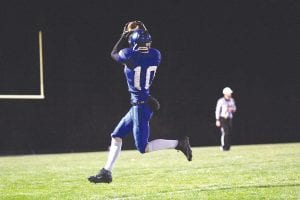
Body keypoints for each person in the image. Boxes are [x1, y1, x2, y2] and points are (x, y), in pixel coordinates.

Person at [88, 21, 192, 184]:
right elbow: (143, 50)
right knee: (116, 136)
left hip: (140, 106)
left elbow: (113, 53)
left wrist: (124, 36)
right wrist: (141, 33)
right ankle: (106, 172)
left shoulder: (129, 55)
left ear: (133, 42)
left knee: (144, 148)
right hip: (142, 100)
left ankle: (179, 143)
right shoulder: (156, 55)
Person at [215, 87, 237, 151]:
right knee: (225, 132)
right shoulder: (221, 101)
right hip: (223, 118)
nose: (230, 94)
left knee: (229, 132)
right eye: (229, 93)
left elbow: (235, 108)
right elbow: (217, 110)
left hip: (229, 118)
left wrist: (232, 109)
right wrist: (217, 120)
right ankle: (223, 146)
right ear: (225, 93)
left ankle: (228, 146)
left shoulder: (232, 100)